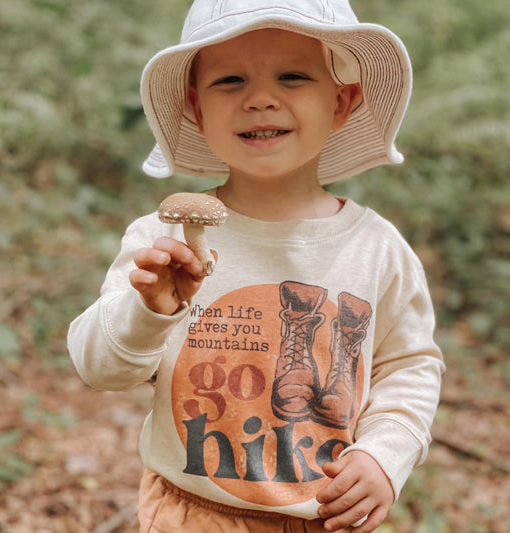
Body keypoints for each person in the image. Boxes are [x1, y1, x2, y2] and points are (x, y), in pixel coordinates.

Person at [68, 1, 445, 532]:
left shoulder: (377, 250)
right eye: (230, 80)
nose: (260, 99)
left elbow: (409, 367)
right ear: (197, 108)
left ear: (341, 102)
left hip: (326, 514)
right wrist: (146, 311)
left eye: (292, 76)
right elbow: (98, 368)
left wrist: (387, 453)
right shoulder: (163, 241)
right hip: (191, 512)